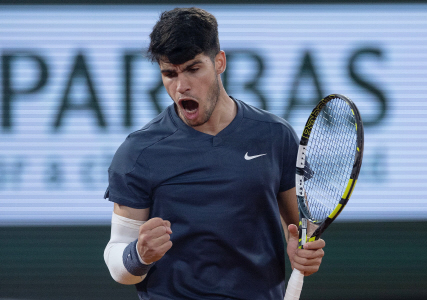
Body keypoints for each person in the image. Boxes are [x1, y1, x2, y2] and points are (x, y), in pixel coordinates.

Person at [103, 7, 325, 300]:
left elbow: (302, 226)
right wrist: (139, 254)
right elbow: (118, 263)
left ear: (219, 62)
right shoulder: (138, 153)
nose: (181, 85)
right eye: (169, 74)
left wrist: (303, 250)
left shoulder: (275, 136)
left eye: (194, 69)